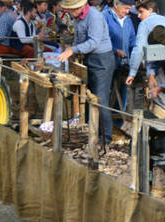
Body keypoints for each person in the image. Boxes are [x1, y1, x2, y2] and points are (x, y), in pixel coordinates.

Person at [57, 0, 115, 143]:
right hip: (89, 59)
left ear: (80, 7)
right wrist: (72, 51)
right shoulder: (77, 18)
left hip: (102, 60)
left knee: (100, 99)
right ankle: (92, 131)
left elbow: (93, 42)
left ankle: (106, 137)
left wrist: (73, 50)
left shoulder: (94, 16)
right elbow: (78, 39)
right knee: (88, 97)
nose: (71, 13)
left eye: (72, 10)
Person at [124, 0, 165, 86]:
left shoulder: (144, 23)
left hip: (159, 61)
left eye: (141, 12)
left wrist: (132, 73)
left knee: (158, 94)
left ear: (150, 10)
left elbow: (138, 49)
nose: (138, 16)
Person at [103, 0, 134, 124]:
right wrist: (115, 50)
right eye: (125, 8)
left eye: (129, 9)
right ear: (116, 4)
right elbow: (101, 39)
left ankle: (117, 127)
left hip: (124, 65)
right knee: (104, 96)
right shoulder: (104, 17)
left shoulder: (128, 21)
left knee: (122, 97)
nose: (127, 12)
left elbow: (132, 41)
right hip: (107, 63)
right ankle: (102, 126)